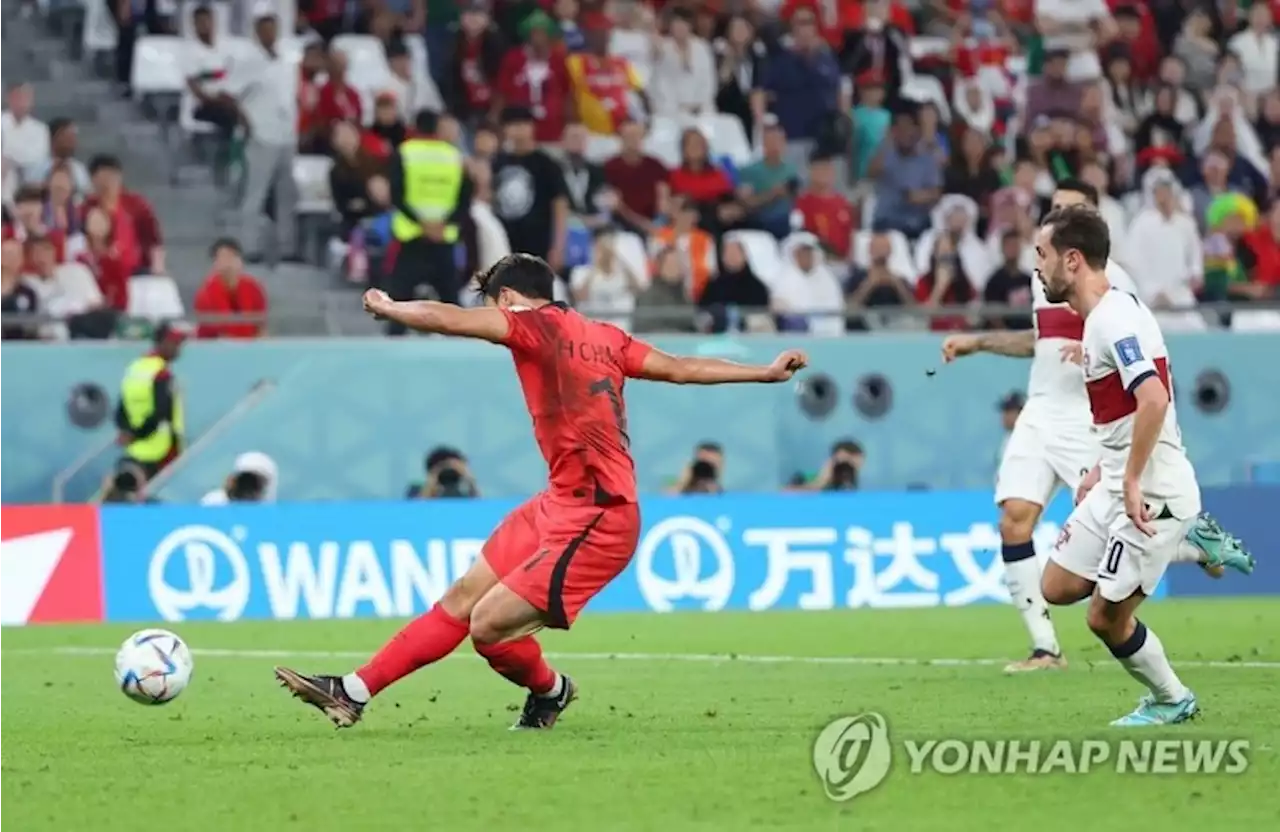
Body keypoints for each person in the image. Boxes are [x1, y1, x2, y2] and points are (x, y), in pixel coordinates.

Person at [274, 253, 808, 730]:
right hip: (558, 502)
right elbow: (684, 368)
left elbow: (448, 318)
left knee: (486, 627)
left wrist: (391, 307)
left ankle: (552, 691)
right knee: (464, 594)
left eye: (495, 304)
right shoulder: (606, 336)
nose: (495, 315)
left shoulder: (531, 326)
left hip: (602, 517)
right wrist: (763, 373)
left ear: (508, 299)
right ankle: (351, 692)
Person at [1032, 206, 1252, 726]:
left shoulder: (1113, 321)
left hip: (1152, 492)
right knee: (1057, 586)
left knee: (1104, 618)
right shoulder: (1103, 317)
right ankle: (1189, 542)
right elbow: (1122, 410)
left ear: (1073, 259)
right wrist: (1099, 468)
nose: (1036, 267)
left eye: (1041, 255)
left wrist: (1128, 478)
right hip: (1114, 481)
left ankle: (1172, 697)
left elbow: (1151, 398)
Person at [938, 180, 1142, 673]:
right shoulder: (1041, 275)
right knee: (1013, 519)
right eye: (1054, 211)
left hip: (1087, 419)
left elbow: (1139, 352)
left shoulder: (1118, 281)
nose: (1059, 220)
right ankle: (1045, 648)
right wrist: (979, 343)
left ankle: (1193, 537)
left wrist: (1095, 351)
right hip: (1040, 411)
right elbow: (1041, 340)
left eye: (1072, 212)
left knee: (1126, 517)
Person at [385, 110, 472, 335]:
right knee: (451, 307)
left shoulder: (404, 153)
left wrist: (421, 223)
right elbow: (465, 198)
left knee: (398, 307)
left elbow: (396, 195)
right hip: (443, 237)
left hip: (411, 237)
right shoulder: (454, 156)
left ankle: (389, 357)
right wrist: (443, 223)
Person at [115, 322, 189, 478]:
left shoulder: (135, 368)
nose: (178, 348)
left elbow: (121, 408)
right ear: (161, 343)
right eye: (174, 343)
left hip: (135, 450)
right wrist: (137, 434)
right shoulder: (161, 374)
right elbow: (162, 412)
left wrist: (128, 432)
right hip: (161, 451)